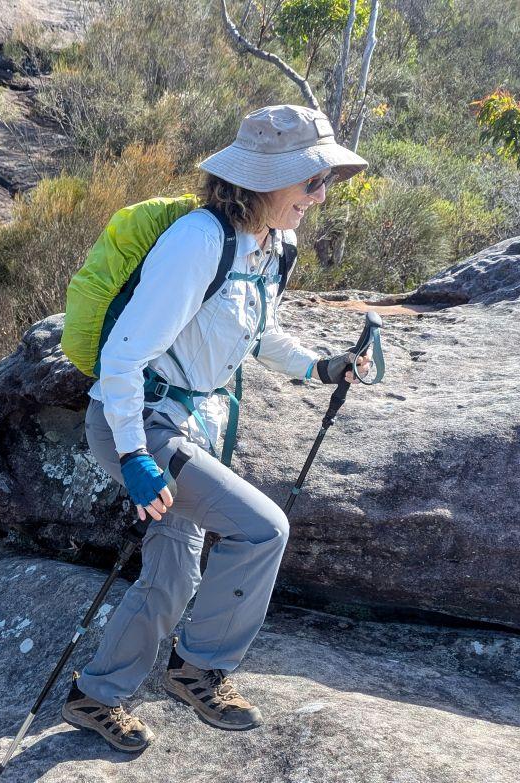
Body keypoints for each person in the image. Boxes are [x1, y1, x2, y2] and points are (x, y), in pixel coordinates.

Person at [61, 105, 374, 751]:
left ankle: (95, 696)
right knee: (262, 528)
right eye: (311, 181)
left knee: (173, 572)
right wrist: (133, 455)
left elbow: (258, 332)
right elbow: (122, 357)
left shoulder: (272, 246)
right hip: (137, 421)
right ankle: (200, 669)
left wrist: (318, 366)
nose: (320, 196)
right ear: (265, 179)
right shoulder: (200, 240)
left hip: (182, 423)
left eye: (325, 183)